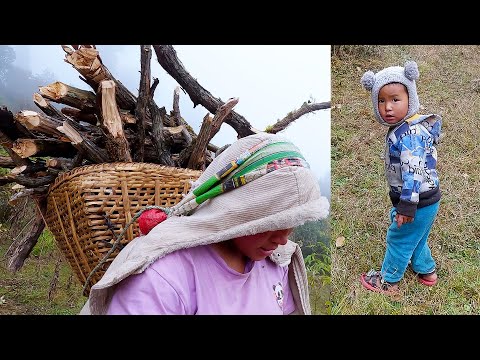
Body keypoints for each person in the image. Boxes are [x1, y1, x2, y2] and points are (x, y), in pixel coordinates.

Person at [80, 132, 330, 314]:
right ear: (240, 211)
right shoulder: (167, 277)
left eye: (293, 222)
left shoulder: (276, 265)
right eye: (273, 222)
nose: (283, 238)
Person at [359, 60, 442, 295]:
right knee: (416, 236)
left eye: (395, 99)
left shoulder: (410, 134)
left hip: (416, 199)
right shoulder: (403, 128)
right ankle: (427, 270)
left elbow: (414, 172)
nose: (388, 107)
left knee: (399, 238)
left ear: (410, 97)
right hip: (427, 199)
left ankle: (388, 281)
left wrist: (406, 206)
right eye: (382, 100)